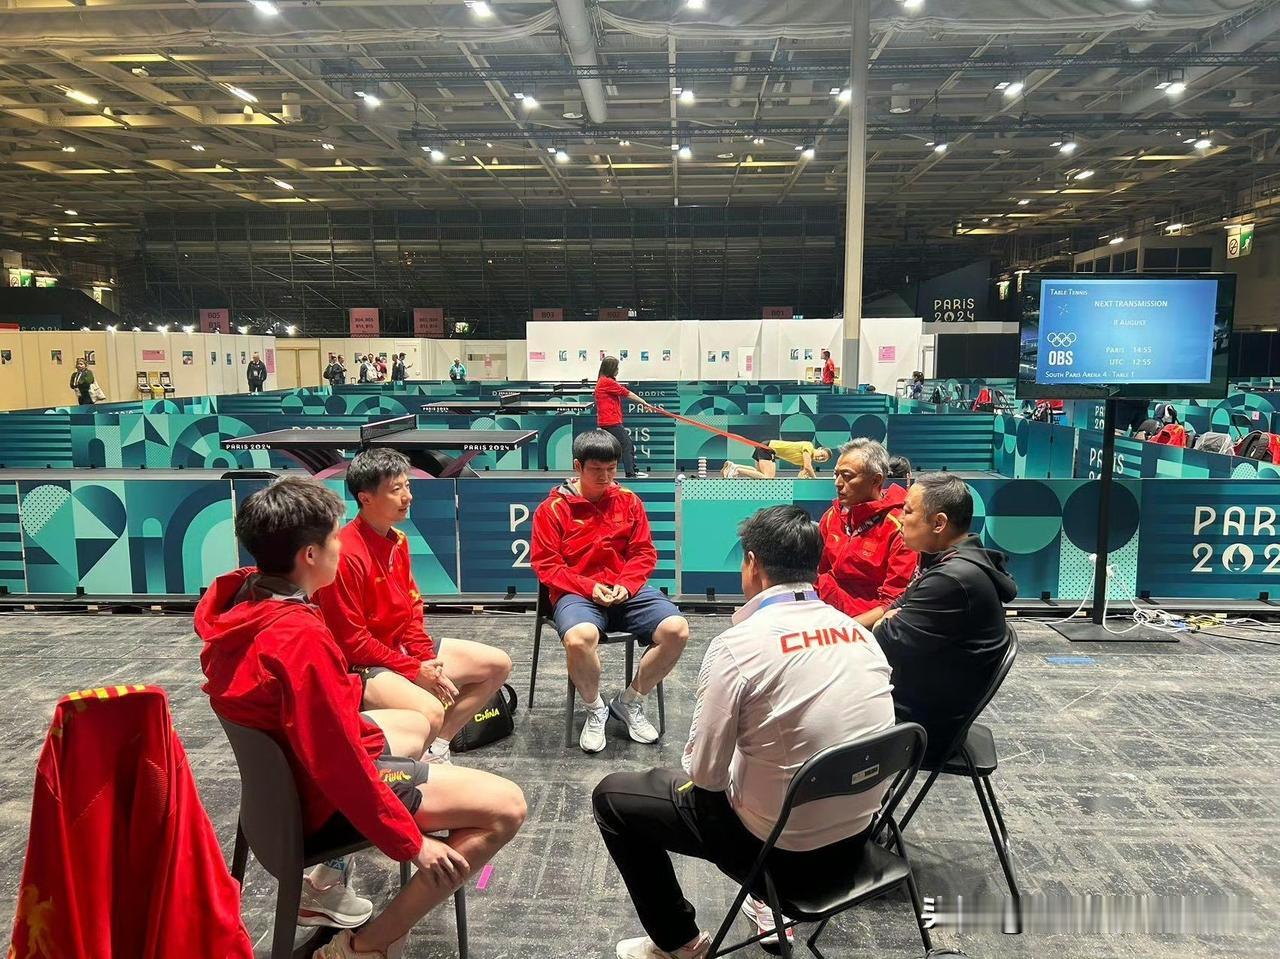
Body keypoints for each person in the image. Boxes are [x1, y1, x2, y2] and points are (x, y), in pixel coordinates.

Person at [196, 478, 525, 959]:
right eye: (334, 537)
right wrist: (409, 842)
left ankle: (339, 874)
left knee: (417, 723)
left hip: (280, 785)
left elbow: (320, 723)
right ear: (310, 554)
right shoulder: (299, 638)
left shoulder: (242, 599)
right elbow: (338, 764)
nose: (341, 545)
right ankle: (365, 946)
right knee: (507, 807)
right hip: (318, 798)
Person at [594, 505, 895, 959]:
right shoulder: (860, 634)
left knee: (613, 798)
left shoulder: (738, 646)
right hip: (858, 841)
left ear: (752, 564)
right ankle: (762, 901)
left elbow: (705, 775)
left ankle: (679, 944)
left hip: (780, 854)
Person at [315, 449, 512, 765]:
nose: (407, 496)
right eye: (396, 489)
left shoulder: (399, 540)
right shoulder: (345, 555)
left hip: (400, 651)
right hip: (360, 667)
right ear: (365, 498)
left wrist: (425, 659)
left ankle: (436, 750)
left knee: (497, 664)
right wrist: (413, 670)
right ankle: (411, 774)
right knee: (429, 710)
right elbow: (352, 643)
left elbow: (411, 610)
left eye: (407, 486)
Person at [530, 429, 688, 754]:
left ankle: (629, 701)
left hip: (625, 591)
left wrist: (626, 586)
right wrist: (590, 587)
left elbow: (643, 553)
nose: (605, 477)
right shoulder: (552, 509)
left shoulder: (629, 501)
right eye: (596, 469)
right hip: (577, 593)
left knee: (677, 630)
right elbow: (547, 565)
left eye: (611, 469)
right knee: (579, 639)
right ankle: (595, 708)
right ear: (578, 466)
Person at [872, 472, 1015, 765]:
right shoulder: (954, 563)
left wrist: (885, 622)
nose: (899, 518)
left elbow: (884, 640)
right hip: (927, 707)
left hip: (922, 730)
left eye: (908, 511)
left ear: (938, 523)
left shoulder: (952, 580)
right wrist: (889, 619)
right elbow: (892, 612)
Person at [815, 438, 917, 628]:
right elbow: (818, 575)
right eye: (836, 474)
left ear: (876, 480)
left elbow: (893, 602)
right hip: (824, 618)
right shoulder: (831, 516)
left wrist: (844, 631)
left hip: (865, 628)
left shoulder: (900, 526)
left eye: (847, 476)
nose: (837, 483)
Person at [595, 355, 650, 478]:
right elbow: (627, 393)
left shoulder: (606, 381)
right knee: (627, 445)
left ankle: (632, 470)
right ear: (611, 368)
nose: (618, 370)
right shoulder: (606, 382)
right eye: (616, 367)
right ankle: (630, 473)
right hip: (610, 421)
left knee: (621, 446)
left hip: (609, 421)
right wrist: (644, 402)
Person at [720, 439, 831, 480]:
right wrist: (815, 479)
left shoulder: (806, 460)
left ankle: (734, 466)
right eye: (822, 454)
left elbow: (801, 475)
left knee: (759, 474)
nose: (820, 458)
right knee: (768, 478)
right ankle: (737, 470)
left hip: (766, 447)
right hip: (768, 448)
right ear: (819, 448)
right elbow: (808, 467)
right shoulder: (809, 446)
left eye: (822, 459)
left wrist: (804, 478)